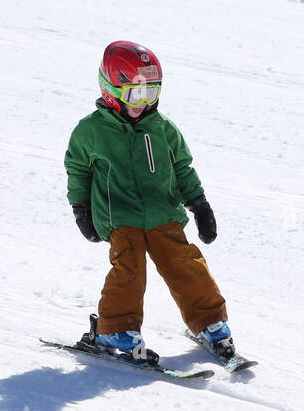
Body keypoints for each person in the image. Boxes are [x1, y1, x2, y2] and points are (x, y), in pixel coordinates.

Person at [63, 41, 231, 363]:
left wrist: (199, 203)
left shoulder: (163, 128)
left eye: (151, 93)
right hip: (120, 216)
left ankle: (211, 323)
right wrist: (80, 208)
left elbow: (182, 167)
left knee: (186, 263)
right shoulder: (90, 132)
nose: (143, 103)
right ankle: (116, 330)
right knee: (130, 268)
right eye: (135, 94)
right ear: (111, 90)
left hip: (163, 213)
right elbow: (77, 170)